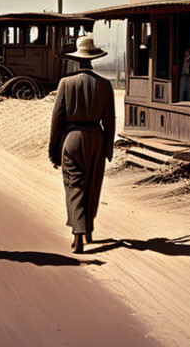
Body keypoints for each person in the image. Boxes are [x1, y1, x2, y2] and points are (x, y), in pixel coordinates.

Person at [48, 35, 115, 254]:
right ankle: (88, 229)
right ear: (93, 59)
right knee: (92, 185)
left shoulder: (66, 83)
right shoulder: (105, 85)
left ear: (76, 60)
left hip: (72, 137)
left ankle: (77, 233)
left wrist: (53, 149)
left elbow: (57, 119)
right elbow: (110, 120)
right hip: (96, 136)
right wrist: (108, 147)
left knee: (74, 185)